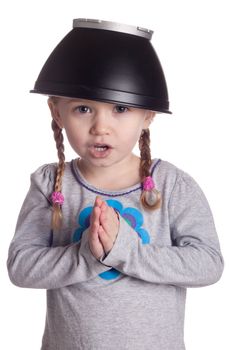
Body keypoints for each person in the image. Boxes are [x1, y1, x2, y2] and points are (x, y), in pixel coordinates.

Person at [7, 19, 224, 350]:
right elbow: (22, 268)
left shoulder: (172, 185)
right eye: (83, 109)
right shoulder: (50, 184)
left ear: (148, 115)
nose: (100, 127)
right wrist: (86, 256)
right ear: (57, 112)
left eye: (120, 108)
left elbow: (208, 264)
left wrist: (125, 251)